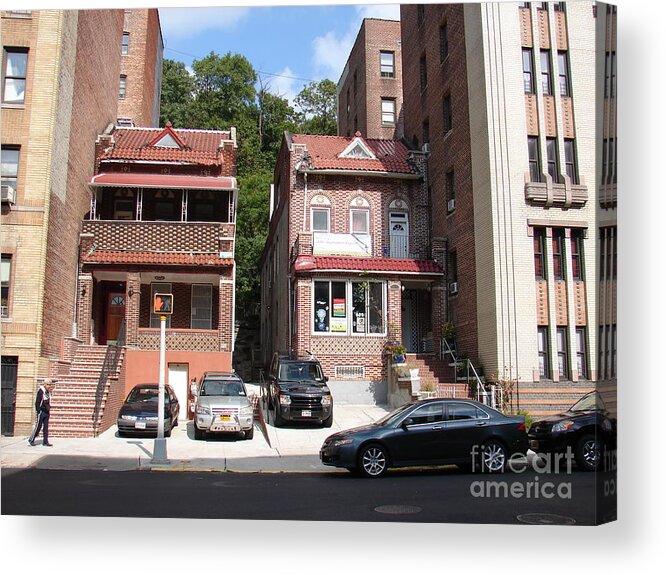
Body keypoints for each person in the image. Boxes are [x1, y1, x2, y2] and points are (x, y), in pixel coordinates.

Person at [28, 378, 55, 447]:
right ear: (44, 384)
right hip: (41, 411)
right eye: (48, 384)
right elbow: (37, 402)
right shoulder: (40, 391)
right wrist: (38, 410)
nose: (49, 386)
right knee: (38, 426)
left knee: (46, 427)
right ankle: (31, 439)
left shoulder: (48, 392)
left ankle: (45, 442)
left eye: (50, 385)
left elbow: (48, 401)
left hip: (46, 411)